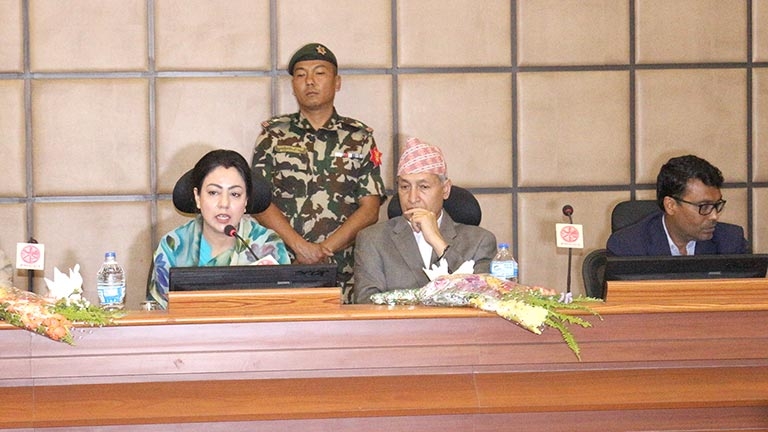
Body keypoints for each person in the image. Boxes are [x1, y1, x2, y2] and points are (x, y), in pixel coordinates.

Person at [251, 42, 386, 301]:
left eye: (320, 73)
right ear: (293, 85)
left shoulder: (359, 137)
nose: (310, 81)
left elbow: (370, 209)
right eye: (301, 75)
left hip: (344, 271)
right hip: (284, 264)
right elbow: (258, 203)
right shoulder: (273, 135)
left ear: (337, 82)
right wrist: (300, 247)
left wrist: (323, 250)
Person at [353, 137, 498, 303]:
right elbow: (367, 304)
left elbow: (483, 298)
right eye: (405, 187)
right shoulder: (373, 240)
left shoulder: (480, 241)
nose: (412, 198)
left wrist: (438, 242)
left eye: (423, 187)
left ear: (445, 189)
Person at [148, 150, 291, 309]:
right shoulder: (173, 246)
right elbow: (157, 314)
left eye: (235, 194)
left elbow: (283, 310)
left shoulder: (267, 245)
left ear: (246, 201)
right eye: (213, 192)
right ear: (197, 197)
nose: (224, 203)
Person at [607, 154, 748, 256]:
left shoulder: (731, 242)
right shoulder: (628, 246)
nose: (714, 216)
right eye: (704, 206)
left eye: (717, 205)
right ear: (670, 205)